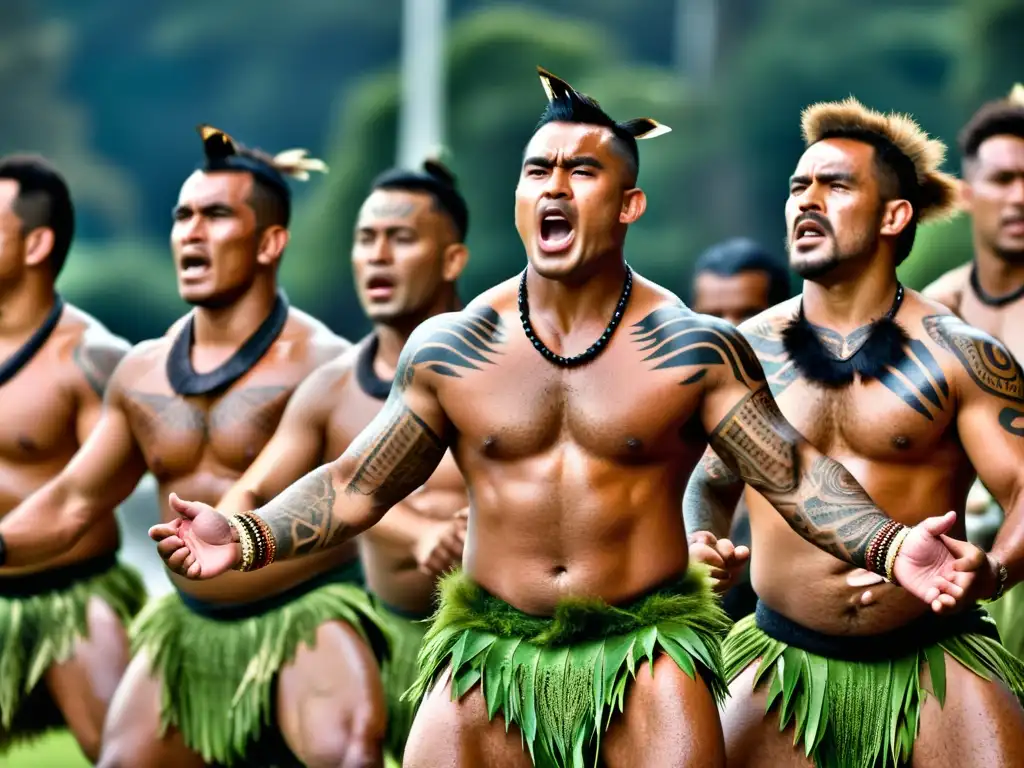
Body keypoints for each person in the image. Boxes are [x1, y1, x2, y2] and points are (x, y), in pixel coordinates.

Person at [156, 70, 975, 768]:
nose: (553, 185)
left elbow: (791, 474)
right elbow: (357, 485)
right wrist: (249, 535)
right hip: (488, 649)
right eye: (536, 169)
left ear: (628, 203)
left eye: (581, 172)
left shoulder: (695, 348)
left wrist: (894, 545)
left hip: (644, 659)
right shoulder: (454, 349)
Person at [0, 127, 368, 768]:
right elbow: (72, 503)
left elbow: (379, 488)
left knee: (345, 755)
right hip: (190, 618)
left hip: (304, 610)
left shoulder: (326, 366)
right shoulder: (141, 374)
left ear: (269, 242)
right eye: (182, 216)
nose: (191, 232)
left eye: (216, 215)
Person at [685, 96, 1024, 768]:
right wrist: (699, 539)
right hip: (780, 656)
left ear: (895, 215)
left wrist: (995, 570)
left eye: (835, 185)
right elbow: (709, 482)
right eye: (797, 187)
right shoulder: (743, 352)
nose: (806, 201)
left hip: (935, 659)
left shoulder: (962, 356)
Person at [217, 157, 471, 764]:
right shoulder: (330, 390)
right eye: (366, 239)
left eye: (401, 239)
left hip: (487, 639)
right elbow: (253, 495)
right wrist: (222, 530)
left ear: (453, 260)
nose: (377, 256)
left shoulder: (500, 369)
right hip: (375, 627)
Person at [0, 155, 139, 761]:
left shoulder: (94, 360)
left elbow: (88, 497)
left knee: (122, 750)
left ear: (37, 245)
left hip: (73, 593)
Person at [923, 83, 1024, 660]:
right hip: (961, 573)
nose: (1018, 197)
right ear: (966, 193)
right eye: (1003, 179)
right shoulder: (937, 311)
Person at [688, 237, 792, 621]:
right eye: (714, 316)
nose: (730, 333)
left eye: (747, 314)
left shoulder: (805, 405)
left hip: (779, 611)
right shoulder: (663, 409)